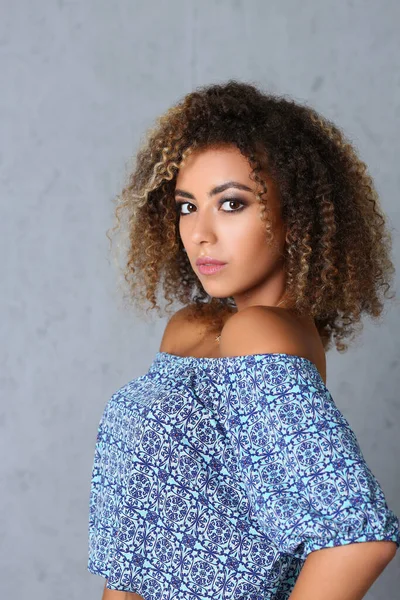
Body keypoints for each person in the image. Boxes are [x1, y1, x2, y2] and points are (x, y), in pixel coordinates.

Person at [87, 80, 400, 600]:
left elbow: (359, 539)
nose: (200, 233)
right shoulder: (193, 328)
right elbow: (144, 551)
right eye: (187, 207)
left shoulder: (261, 334)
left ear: (295, 218)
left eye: (231, 204)